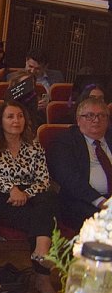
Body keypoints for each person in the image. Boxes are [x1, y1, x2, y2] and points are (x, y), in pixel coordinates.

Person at [0, 99, 59, 293]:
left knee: (48, 196)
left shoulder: (33, 143)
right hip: (0, 196)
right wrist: (11, 189)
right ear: (0, 120)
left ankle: (41, 250)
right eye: (10, 116)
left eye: (20, 116)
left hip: (30, 194)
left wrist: (26, 193)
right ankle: (43, 274)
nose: (16, 121)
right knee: (43, 218)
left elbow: (43, 179)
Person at [46, 95, 112, 229]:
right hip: (83, 201)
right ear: (78, 120)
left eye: (101, 115)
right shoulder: (64, 141)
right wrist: (101, 202)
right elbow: (69, 178)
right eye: (89, 116)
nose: (96, 120)